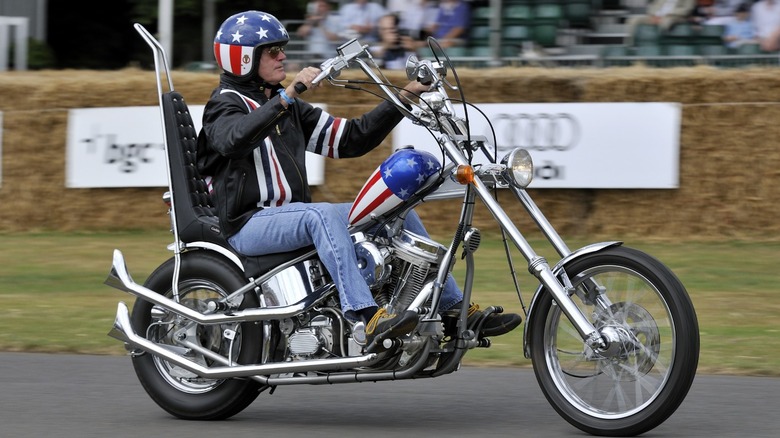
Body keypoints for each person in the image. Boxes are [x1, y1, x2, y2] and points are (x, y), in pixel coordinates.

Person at [197, 10, 522, 351]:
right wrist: (288, 95)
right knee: (318, 214)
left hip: (289, 216)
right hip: (248, 224)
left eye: (282, 49)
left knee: (395, 208)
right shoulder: (225, 105)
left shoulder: (285, 106)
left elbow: (350, 138)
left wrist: (406, 94)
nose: (283, 56)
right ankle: (366, 316)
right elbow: (233, 140)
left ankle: (453, 310)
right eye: (272, 51)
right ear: (244, 58)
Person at [624, 0, 697, 45]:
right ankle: (630, 44)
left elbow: (687, 9)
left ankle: (657, 46)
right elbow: (653, 6)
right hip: (656, 16)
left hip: (674, 16)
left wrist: (667, 14)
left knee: (665, 22)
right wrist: (654, 15)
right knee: (633, 20)